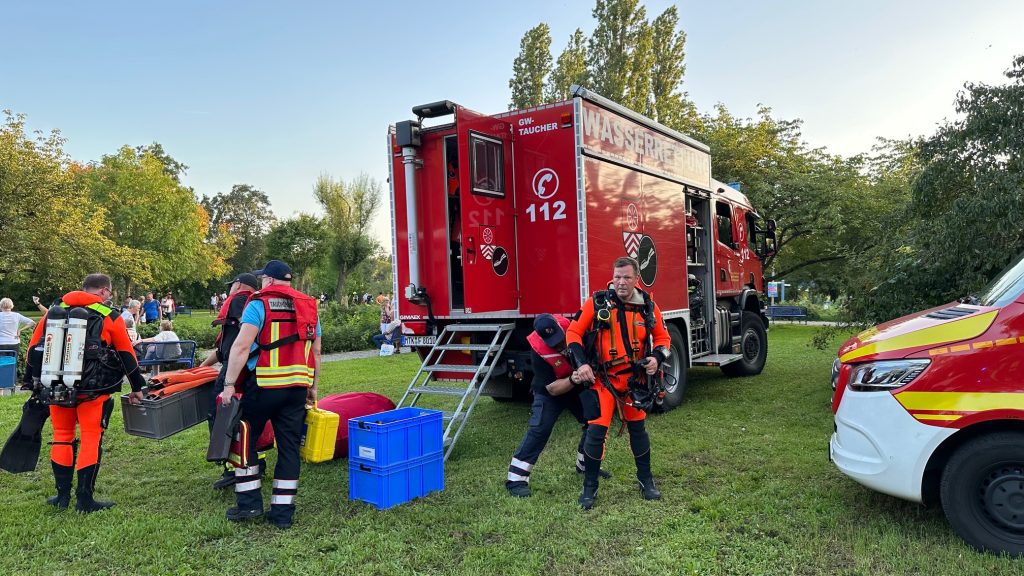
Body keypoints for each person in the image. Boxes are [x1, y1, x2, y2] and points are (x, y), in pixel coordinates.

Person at [24, 273, 147, 512]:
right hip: (94, 390)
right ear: (103, 291)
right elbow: (126, 354)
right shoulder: (109, 315)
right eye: (109, 292)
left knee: (62, 435)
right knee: (91, 437)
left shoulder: (55, 311)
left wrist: (32, 383)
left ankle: (62, 497)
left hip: (56, 386)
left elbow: (32, 350)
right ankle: (84, 499)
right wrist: (137, 386)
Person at [220, 260, 321, 529]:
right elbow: (316, 351)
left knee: (245, 441)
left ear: (268, 280)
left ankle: (249, 506)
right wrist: (313, 387)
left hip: (263, 387)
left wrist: (229, 384)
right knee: (289, 448)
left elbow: (241, 347)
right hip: (296, 389)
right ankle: (282, 514)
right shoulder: (309, 305)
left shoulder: (258, 304)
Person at [566, 256, 672, 510]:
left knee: (638, 430)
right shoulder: (597, 302)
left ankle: (646, 481)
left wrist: (656, 358)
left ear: (636, 279)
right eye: (617, 277)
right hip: (603, 380)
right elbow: (573, 332)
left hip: (634, 381)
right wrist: (581, 364)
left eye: (626, 277)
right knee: (595, 433)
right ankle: (589, 487)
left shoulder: (648, 306)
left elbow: (663, 339)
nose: (621, 282)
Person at [505, 314, 610, 498]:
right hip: (551, 391)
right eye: (554, 344)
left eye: (561, 340)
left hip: (577, 388)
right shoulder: (537, 351)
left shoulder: (578, 330)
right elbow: (552, 389)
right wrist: (573, 379)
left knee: (594, 422)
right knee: (540, 429)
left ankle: (585, 464)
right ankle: (516, 479)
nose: (560, 346)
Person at [201, 272, 260, 490]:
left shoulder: (239, 301)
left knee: (221, 414)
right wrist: (201, 367)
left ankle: (231, 466)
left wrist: (229, 379)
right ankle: (253, 461)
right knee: (245, 415)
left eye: (232, 284)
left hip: (236, 367)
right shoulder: (251, 303)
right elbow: (223, 350)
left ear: (240, 284)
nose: (230, 289)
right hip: (247, 366)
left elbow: (238, 345)